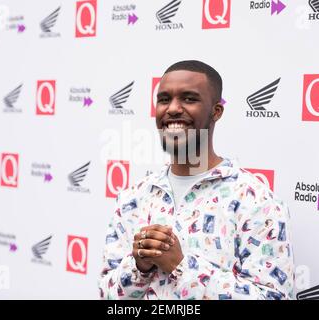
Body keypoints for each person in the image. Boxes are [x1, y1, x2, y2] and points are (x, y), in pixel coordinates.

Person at [98, 60, 294, 300]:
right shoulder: (134, 197)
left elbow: (274, 297)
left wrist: (181, 267)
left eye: (189, 99)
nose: (172, 109)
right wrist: (138, 266)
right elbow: (107, 295)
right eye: (164, 99)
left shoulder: (254, 200)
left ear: (216, 111)